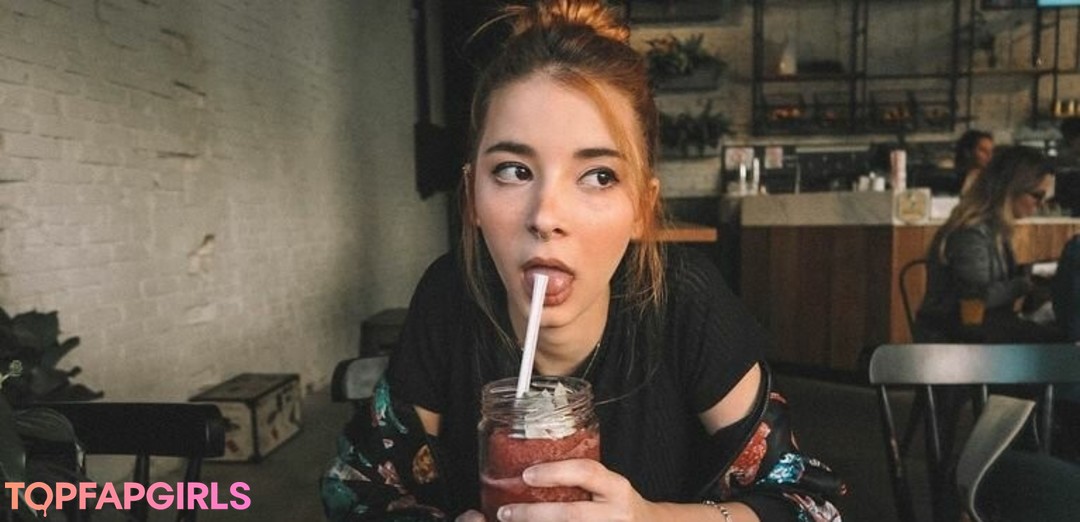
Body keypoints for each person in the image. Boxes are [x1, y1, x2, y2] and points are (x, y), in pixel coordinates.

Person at [321, 1, 845, 521]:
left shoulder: (685, 304)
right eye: (513, 170)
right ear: (471, 196)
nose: (546, 216)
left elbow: (810, 504)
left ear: (641, 208)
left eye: (598, 176)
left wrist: (651, 519)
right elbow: (357, 489)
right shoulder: (450, 296)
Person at [916, 145, 1060, 344]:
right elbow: (974, 299)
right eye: (1037, 195)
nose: (1041, 204)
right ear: (1011, 189)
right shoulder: (970, 233)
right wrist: (1024, 284)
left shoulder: (994, 229)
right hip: (952, 339)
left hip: (975, 331)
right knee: (1060, 342)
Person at [953, 129, 994, 195]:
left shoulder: (994, 181)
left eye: (991, 151)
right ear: (968, 152)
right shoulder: (955, 179)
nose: (989, 155)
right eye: (983, 150)